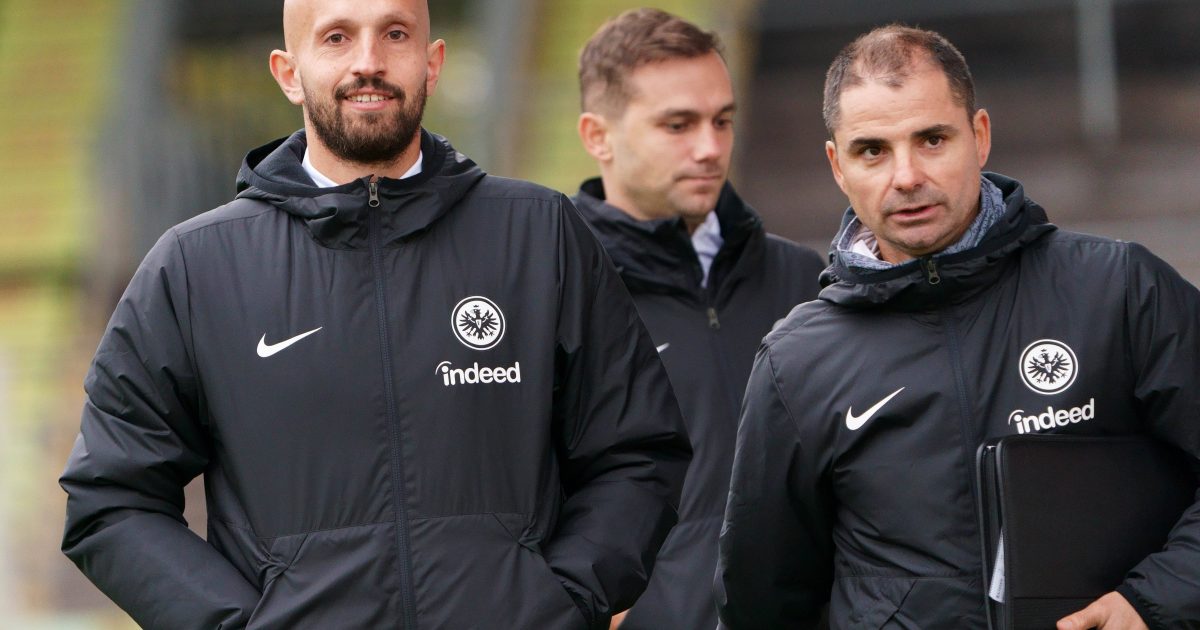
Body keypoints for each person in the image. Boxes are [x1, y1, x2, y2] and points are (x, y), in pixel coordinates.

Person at [58, 0, 692, 628]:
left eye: (395, 34)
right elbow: (112, 498)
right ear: (287, 72)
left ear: (432, 61)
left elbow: (638, 451)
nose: (369, 61)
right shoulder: (195, 267)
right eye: (336, 37)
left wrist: (563, 602)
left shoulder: (541, 234)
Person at [716, 24, 1200, 630]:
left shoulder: (1120, 291)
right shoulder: (796, 363)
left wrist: (1151, 603)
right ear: (838, 166)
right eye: (873, 150)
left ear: (980, 135)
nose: (907, 175)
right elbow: (763, 600)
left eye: (932, 139)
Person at [571, 9, 825, 630]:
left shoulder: (805, 281)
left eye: (722, 121)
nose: (710, 148)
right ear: (597, 135)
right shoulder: (559, 294)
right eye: (678, 125)